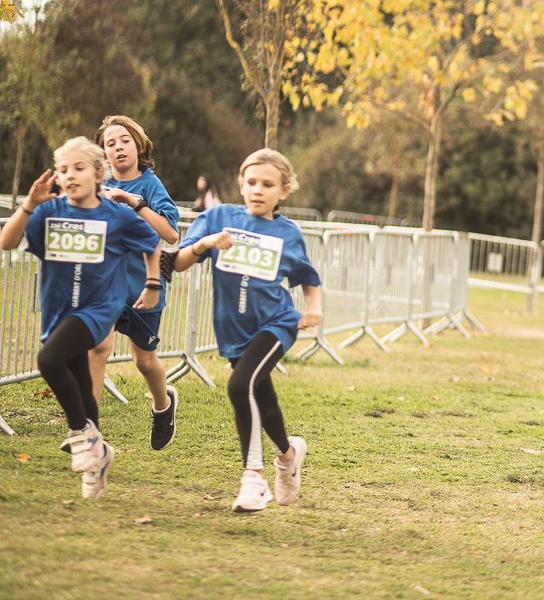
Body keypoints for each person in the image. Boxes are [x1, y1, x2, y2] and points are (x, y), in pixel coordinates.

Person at [0, 137, 161, 500]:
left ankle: (80, 435)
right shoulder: (49, 211)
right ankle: (98, 458)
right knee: (78, 377)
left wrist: (152, 284)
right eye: (63, 170)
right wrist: (28, 204)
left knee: (48, 360)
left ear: (98, 174)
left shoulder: (116, 216)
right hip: (58, 310)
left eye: (79, 168)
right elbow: (7, 242)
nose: (70, 175)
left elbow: (152, 242)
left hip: (99, 309)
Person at [173, 149, 321, 513]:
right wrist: (206, 244)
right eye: (251, 182)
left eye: (267, 184)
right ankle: (288, 456)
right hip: (233, 329)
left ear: (284, 191)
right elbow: (176, 263)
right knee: (263, 400)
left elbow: (307, 276)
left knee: (240, 385)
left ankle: (253, 478)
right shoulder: (219, 217)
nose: (257, 190)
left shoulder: (287, 232)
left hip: (276, 324)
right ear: (240, 184)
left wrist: (314, 309)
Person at [90, 115, 181, 449]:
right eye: (110, 143)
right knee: (96, 348)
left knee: (143, 361)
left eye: (124, 140)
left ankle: (163, 404)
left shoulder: (149, 185)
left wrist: (136, 204)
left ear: (138, 144)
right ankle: (88, 427)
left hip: (145, 287)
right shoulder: (95, 185)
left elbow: (171, 234)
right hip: (104, 286)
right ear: (102, 152)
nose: (118, 147)